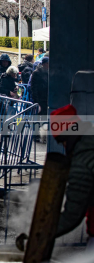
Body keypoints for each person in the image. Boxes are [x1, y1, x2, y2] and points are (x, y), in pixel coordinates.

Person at [49, 105, 94, 249]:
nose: (63, 146)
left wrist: (40, 232)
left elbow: (72, 215)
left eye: (62, 141)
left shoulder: (82, 160)